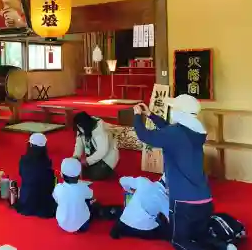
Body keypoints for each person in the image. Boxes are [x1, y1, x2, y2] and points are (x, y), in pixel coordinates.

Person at [133, 95, 217, 250]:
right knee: (200, 238)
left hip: (184, 201)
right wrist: (151, 115)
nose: (172, 111)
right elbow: (169, 131)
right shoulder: (196, 130)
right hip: (204, 197)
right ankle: (226, 247)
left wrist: (137, 116)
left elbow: (144, 135)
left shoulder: (175, 133)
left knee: (180, 243)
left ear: (180, 112)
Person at [110, 174, 171, 240]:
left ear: (160, 179)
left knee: (122, 211)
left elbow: (122, 180)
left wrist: (129, 191)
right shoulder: (165, 200)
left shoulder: (142, 181)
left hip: (123, 225)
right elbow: (172, 220)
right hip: (145, 232)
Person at [16, 133, 57, 218]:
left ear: (30, 145)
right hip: (43, 203)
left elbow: (21, 174)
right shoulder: (47, 162)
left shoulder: (23, 160)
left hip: (26, 201)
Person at [73, 111, 119, 180]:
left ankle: (108, 171)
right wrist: (76, 157)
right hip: (92, 156)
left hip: (106, 158)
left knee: (94, 175)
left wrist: (87, 161)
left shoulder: (100, 129)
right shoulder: (81, 127)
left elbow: (102, 151)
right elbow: (79, 144)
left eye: (79, 126)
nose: (78, 128)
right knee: (77, 169)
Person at [53, 158, 94, 233]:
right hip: (82, 226)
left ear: (62, 174)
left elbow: (56, 199)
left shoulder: (58, 188)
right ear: (79, 175)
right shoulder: (82, 187)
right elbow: (91, 195)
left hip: (63, 225)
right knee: (89, 201)